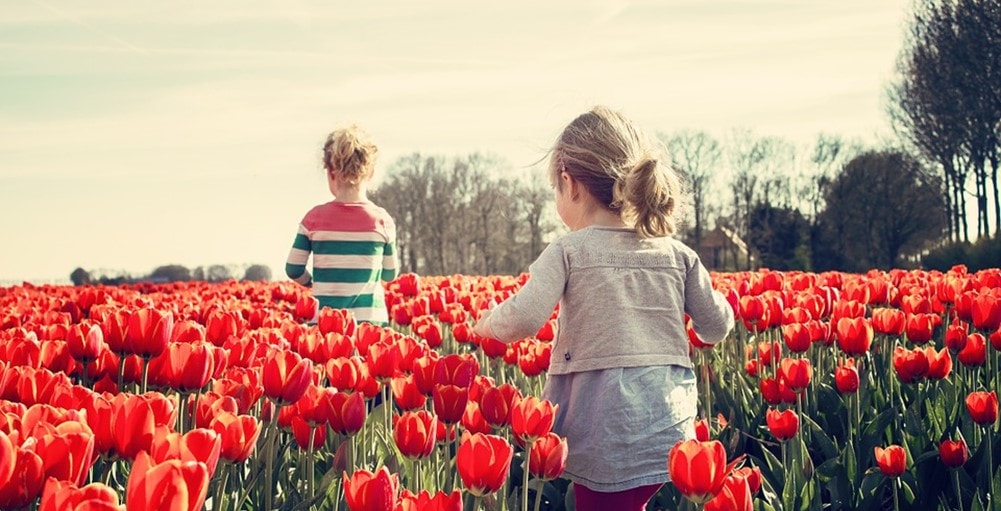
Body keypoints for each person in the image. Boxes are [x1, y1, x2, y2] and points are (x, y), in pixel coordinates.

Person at [473, 106, 734, 511]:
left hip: (601, 426)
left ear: (569, 183)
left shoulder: (568, 251)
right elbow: (715, 327)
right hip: (667, 422)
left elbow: (524, 318)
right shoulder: (677, 255)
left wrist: (488, 323)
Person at [285, 124, 398, 325]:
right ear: (371, 172)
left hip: (325, 323)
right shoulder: (382, 220)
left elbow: (293, 268)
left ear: (330, 172)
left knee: (329, 356)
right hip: (370, 322)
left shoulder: (314, 219)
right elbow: (390, 273)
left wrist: (313, 283)